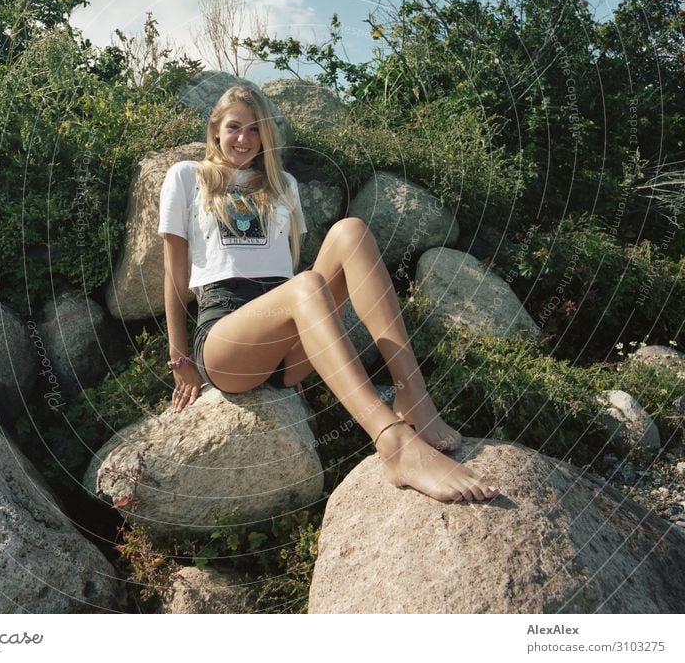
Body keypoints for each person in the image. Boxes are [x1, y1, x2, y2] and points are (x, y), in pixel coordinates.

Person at [158, 85, 498, 503]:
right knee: (305, 285)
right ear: (214, 129)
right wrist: (179, 359)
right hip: (228, 339)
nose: (244, 139)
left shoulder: (282, 185)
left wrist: (303, 333)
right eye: (233, 128)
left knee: (350, 232)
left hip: (287, 339)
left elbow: (283, 268)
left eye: (255, 129)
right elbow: (174, 274)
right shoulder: (187, 176)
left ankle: (413, 393)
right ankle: (392, 442)